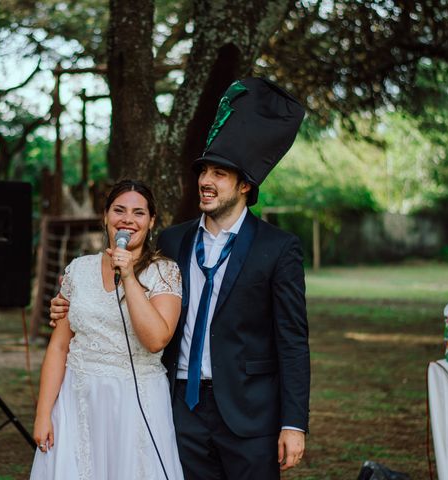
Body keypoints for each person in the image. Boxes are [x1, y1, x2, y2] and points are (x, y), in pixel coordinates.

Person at [156, 78, 311, 479]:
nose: (206, 180)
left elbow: (292, 340)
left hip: (250, 415)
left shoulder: (279, 248)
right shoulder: (173, 240)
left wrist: (293, 424)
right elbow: (137, 301)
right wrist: (72, 304)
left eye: (219, 173)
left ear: (245, 185)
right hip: (180, 408)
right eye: (203, 171)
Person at [31, 179, 184, 479]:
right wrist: (43, 414)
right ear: (105, 216)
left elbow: (156, 340)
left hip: (136, 404)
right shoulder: (78, 269)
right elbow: (59, 347)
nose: (127, 219)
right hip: (78, 400)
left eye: (139, 213)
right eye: (119, 210)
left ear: (151, 221)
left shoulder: (165, 272)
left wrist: (128, 274)